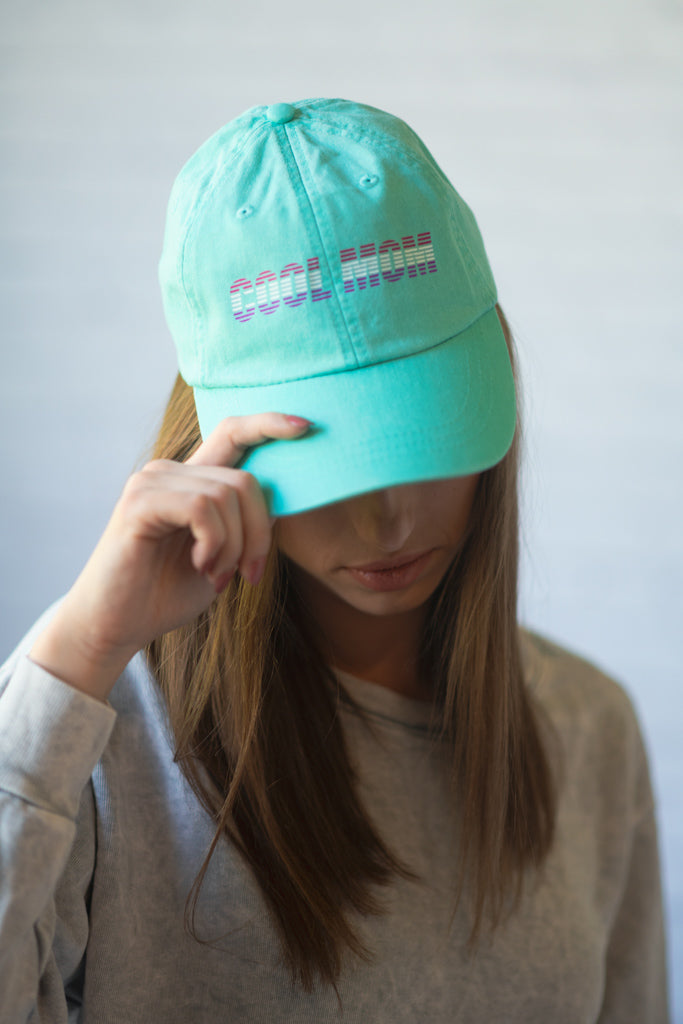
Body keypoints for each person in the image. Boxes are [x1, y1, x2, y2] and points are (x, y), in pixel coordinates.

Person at [0, 98, 669, 1023]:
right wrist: (77, 651)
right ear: (213, 445)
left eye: (419, 439)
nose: (386, 520)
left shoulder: (587, 728)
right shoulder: (99, 743)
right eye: (325, 456)